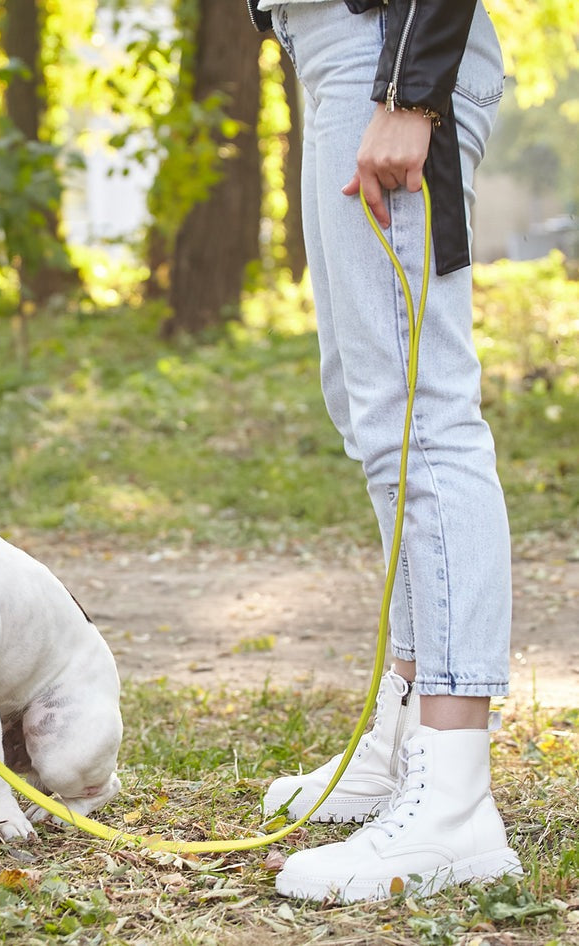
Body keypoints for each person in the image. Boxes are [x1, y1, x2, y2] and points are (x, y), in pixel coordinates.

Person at [246, 0, 523, 902]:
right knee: (374, 412)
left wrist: (409, 88)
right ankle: (406, 739)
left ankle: (452, 801)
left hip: (389, 51)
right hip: (341, 52)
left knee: (420, 416)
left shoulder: (401, 79)